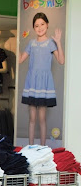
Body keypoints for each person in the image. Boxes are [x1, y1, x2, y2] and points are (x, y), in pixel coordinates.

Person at [19, 12, 65, 145]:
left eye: (42, 24)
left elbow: (61, 61)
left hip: (44, 84)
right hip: (32, 83)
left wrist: (58, 42)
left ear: (47, 24)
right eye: (36, 25)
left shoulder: (51, 43)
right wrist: (22, 40)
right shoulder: (31, 43)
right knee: (32, 118)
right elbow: (21, 60)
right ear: (33, 28)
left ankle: (43, 148)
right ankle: (31, 147)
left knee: (42, 118)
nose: (39, 28)